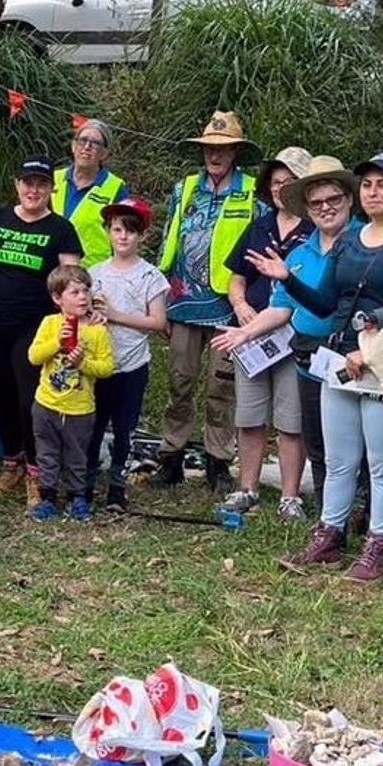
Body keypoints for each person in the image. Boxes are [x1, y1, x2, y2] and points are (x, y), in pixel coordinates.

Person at [248, 150, 383, 582]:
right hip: (342, 360)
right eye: (369, 184)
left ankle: (380, 542)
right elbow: (325, 301)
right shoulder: (350, 242)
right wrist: (287, 279)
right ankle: (330, 534)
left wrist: (372, 336)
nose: (374, 192)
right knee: (339, 459)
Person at [216, 155, 360, 515]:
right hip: (307, 356)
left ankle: (352, 514)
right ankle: (331, 517)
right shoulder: (299, 253)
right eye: (317, 203)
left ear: (348, 199)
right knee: (316, 438)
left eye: (333, 200)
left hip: (353, 354)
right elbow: (281, 308)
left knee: (345, 439)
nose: (325, 208)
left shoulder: (364, 242)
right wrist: (244, 332)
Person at [150, 111, 266, 494]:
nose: (215, 156)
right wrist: (160, 298)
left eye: (223, 148)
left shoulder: (251, 192)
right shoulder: (184, 189)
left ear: (235, 151)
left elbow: (259, 251)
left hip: (227, 306)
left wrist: (253, 305)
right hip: (183, 301)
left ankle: (219, 460)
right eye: (209, 149)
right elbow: (169, 240)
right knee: (179, 383)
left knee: (223, 386)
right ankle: (171, 457)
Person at [0, 155, 84, 508]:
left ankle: (39, 474)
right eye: (27, 182)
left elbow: (72, 278)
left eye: (41, 183)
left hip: (35, 328)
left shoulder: (61, 228)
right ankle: (11, 462)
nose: (33, 189)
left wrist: (83, 312)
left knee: (28, 398)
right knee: (0, 391)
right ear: (16, 185)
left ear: (51, 188)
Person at [216, 146, 315, 520]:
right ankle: (248, 487)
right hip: (252, 334)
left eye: (289, 181)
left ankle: (291, 495)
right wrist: (240, 306)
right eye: (275, 182)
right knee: (249, 415)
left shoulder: (314, 229)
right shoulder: (260, 225)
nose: (280, 188)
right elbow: (237, 275)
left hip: (294, 335)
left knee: (291, 421)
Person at [85, 198, 167, 512]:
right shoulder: (94, 273)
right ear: (108, 232)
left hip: (133, 364)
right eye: (117, 229)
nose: (123, 237)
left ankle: (117, 489)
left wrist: (116, 315)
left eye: (131, 231)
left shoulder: (150, 276)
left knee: (124, 428)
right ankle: (86, 484)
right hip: (99, 363)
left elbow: (157, 322)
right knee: (93, 425)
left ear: (143, 236)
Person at [28, 264, 114, 521]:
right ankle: (48, 497)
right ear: (57, 298)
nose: (82, 297)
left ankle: (78, 496)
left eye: (86, 291)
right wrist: (57, 343)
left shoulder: (98, 330)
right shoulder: (50, 323)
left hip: (80, 408)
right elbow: (33, 356)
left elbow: (107, 367)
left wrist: (82, 364)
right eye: (74, 292)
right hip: (46, 404)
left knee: (77, 455)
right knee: (47, 452)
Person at [51, 118, 130, 267]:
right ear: (73, 146)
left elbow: (123, 236)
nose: (87, 147)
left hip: (92, 275)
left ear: (104, 153)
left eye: (95, 143)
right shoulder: (53, 179)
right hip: (49, 270)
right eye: (83, 140)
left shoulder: (116, 187)